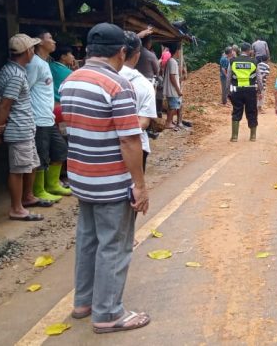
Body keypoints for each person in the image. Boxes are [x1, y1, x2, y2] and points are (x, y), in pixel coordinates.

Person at [59, 22, 151, 334]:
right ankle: (108, 313)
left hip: (81, 177)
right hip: (111, 181)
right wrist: (139, 185)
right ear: (122, 52)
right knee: (114, 245)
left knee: (88, 240)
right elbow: (129, 140)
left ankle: (83, 302)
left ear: (89, 49)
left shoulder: (70, 80)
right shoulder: (117, 85)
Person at [0, 34, 51, 221]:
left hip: (25, 126)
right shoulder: (16, 75)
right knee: (18, 170)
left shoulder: (13, 70)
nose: (34, 51)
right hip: (19, 128)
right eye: (32, 48)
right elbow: (5, 105)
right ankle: (16, 208)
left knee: (31, 164)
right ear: (28, 51)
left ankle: (27, 196)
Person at [26, 31, 71, 201]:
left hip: (48, 116)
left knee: (60, 149)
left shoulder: (45, 63)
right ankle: (39, 190)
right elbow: (25, 89)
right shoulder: (34, 64)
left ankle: (52, 184)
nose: (54, 41)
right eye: (50, 38)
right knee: (41, 154)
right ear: (39, 42)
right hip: (37, 117)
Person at [120, 31, 157, 172]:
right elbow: (144, 122)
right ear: (137, 55)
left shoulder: (96, 79)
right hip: (136, 146)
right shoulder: (144, 85)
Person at [226, 42, 261, 142]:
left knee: (236, 110)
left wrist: (227, 91)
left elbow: (228, 77)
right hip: (250, 90)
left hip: (236, 90)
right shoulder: (254, 61)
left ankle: (234, 137)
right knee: (252, 111)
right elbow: (259, 77)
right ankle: (253, 136)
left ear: (240, 50)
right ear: (249, 50)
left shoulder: (232, 61)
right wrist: (260, 90)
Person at [162, 43, 183, 131]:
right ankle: (168, 123)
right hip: (173, 89)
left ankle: (169, 121)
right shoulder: (173, 62)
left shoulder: (170, 61)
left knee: (171, 106)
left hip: (169, 89)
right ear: (177, 51)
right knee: (173, 107)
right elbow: (172, 77)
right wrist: (178, 90)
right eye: (179, 51)